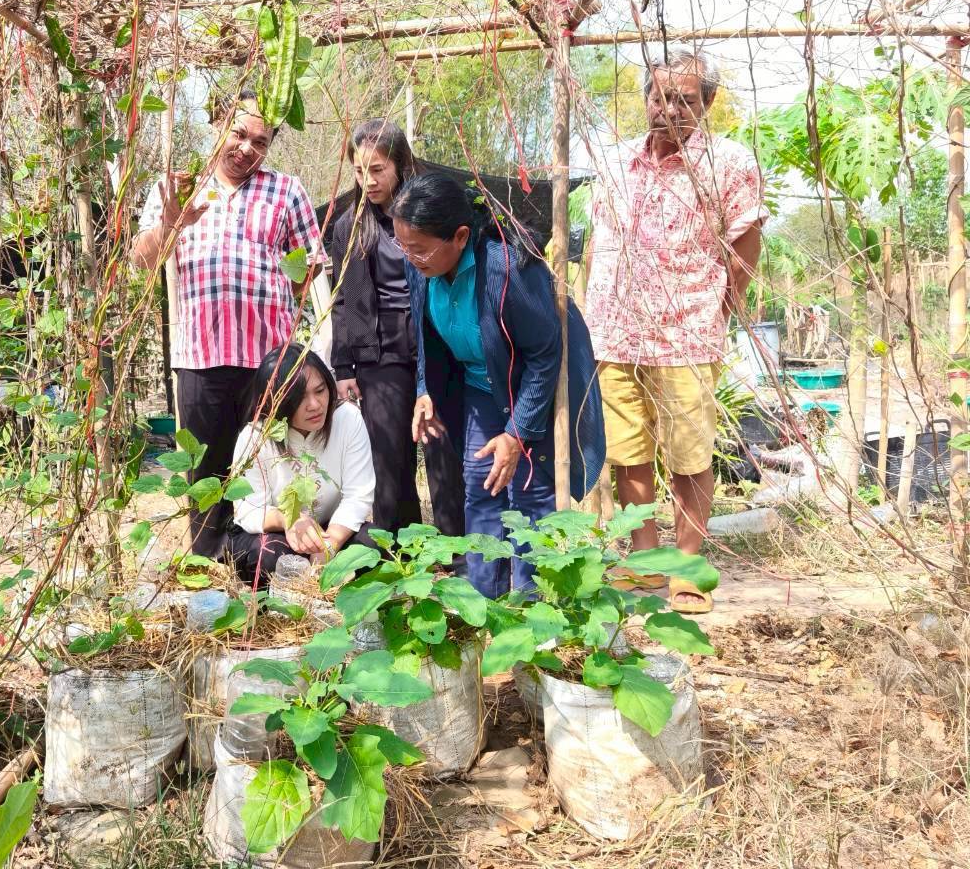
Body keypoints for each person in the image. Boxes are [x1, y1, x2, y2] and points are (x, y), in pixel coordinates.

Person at [585, 47, 767, 614]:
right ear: (644, 99)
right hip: (613, 336)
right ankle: (646, 562)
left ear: (708, 102)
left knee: (689, 457)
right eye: (659, 97)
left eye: (684, 100)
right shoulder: (614, 163)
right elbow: (599, 244)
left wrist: (722, 310)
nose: (668, 110)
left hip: (686, 334)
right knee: (629, 454)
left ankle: (688, 569)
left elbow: (745, 242)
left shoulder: (729, 163)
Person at [394, 172, 606, 598]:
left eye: (418, 248)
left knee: (530, 488)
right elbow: (424, 333)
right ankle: (484, 601)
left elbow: (546, 354)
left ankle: (533, 608)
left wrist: (517, 434)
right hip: (479, 386)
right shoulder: (422, 264)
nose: (409, 256)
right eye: (403, 245)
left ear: (459, 236)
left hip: (533, 384)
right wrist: (425, 389)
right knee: (480, 485)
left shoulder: (505, 267)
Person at [132, 90, 322, 559]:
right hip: (200, 355)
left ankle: (264, 557)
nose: (246, 149)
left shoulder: (287, 191)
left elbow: (311, 265)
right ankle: (207, 559)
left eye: (260, 141)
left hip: (267, 361)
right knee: (206, 467)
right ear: (216, 124)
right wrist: (172, 222)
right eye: (238, 133)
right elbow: (142, 259)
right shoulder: (177, 188)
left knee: (270, 464)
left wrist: (277, 297)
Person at [325, 119, 464, 536]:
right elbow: (343, 299)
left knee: (442, 447)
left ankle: (455, 550)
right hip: (378, 353)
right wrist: (344, 366)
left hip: (434, 340)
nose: (367, 181)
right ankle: (399, 552)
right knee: (388, 455)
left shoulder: (428, 215)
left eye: (377, 170)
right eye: (358, 170)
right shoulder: (349, 227)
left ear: (400, 164)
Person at [228, 344, 376, 586]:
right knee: (267, 555)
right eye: (299, 398)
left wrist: (331, 544)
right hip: (279, 534)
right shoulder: (256, 437)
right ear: (275, 403)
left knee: (372, 543)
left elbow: (358, 495)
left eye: (320, 391)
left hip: (330, 529)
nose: (315, 405)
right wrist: (290, 519)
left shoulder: (347, 419)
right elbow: (247, 509)